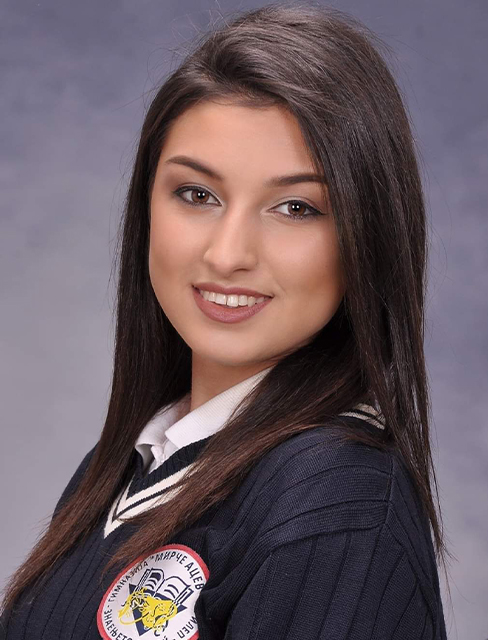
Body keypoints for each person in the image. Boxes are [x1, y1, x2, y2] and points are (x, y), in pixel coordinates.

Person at [0, 3, 453, 638]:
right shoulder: (123, 466)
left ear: (367, 236)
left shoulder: (336, 504)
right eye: (197, 195)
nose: (227, 254)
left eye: (296, 207)